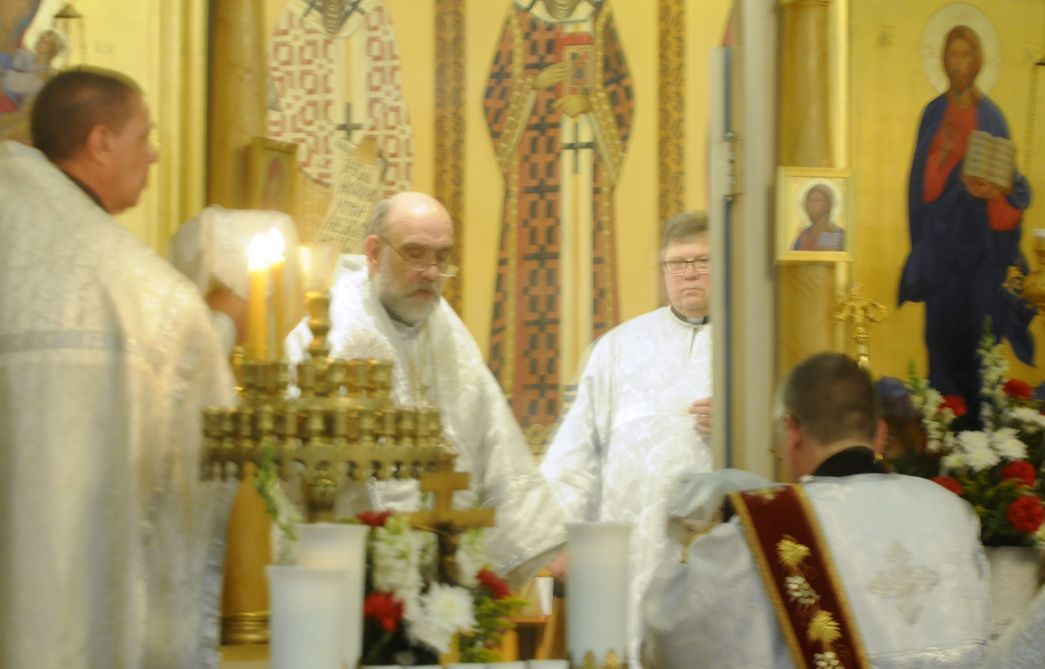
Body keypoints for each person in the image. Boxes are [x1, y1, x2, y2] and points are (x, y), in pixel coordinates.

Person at [0, 68, 238, 668]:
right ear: (100, 142)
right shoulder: (141, 290)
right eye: (145, 135)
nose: (154, 154)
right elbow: (200, 427)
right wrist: (227, 323)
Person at [287, 191, 567, 583]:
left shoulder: (448, 334)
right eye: (415, 254)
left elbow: (495, 443)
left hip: (446, 570)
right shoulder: (327, 339)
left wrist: (537, 543)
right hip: (350, 574)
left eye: (442, 257)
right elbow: (290, 467)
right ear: (373, 252)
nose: (432, 272)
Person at [643, 352, 988, 668]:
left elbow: (675, 641)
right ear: (881, 434)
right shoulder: (950, 511)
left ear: (792, 432)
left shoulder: (769, 527)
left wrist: (678, 540)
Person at [540, 210, 714, 665]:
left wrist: (743, 423)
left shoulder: (753, 342)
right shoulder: (618, 346)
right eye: (677, 263)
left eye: (702, 260)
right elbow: (576, 448)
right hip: (621, 545)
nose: (689, 273)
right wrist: (559, 536)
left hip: (706, 545)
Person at [483, 0, 634, 446]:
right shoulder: (518, 21)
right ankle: (528, 423)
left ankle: (594, 421)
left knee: (587, 291)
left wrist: (591, 102)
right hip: (535, 194)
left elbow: (624, 97)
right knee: (533, 303)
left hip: (587, 187)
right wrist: (533, 85)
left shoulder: (600, 17)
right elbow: (492, 106)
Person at [899, 24, 1034, 420]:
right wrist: (944, 167)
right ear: (942, 61)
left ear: (979, 62)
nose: (959, 63)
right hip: (941, 251)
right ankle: (943, 433)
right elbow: (920, 191)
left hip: (982, 256)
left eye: (966, 54)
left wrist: (995, 193)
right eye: (952, 54)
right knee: (940, 340)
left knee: (981, 343)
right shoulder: (933, 114)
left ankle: (981, 439)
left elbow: (1011, 191)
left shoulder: (992, 116)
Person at [791, 183, 844, 251]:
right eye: (811, 200)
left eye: (819, 200)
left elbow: (827, 257)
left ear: (829, 204)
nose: (813, 204)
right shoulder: (804, 235)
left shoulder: (835, 233)